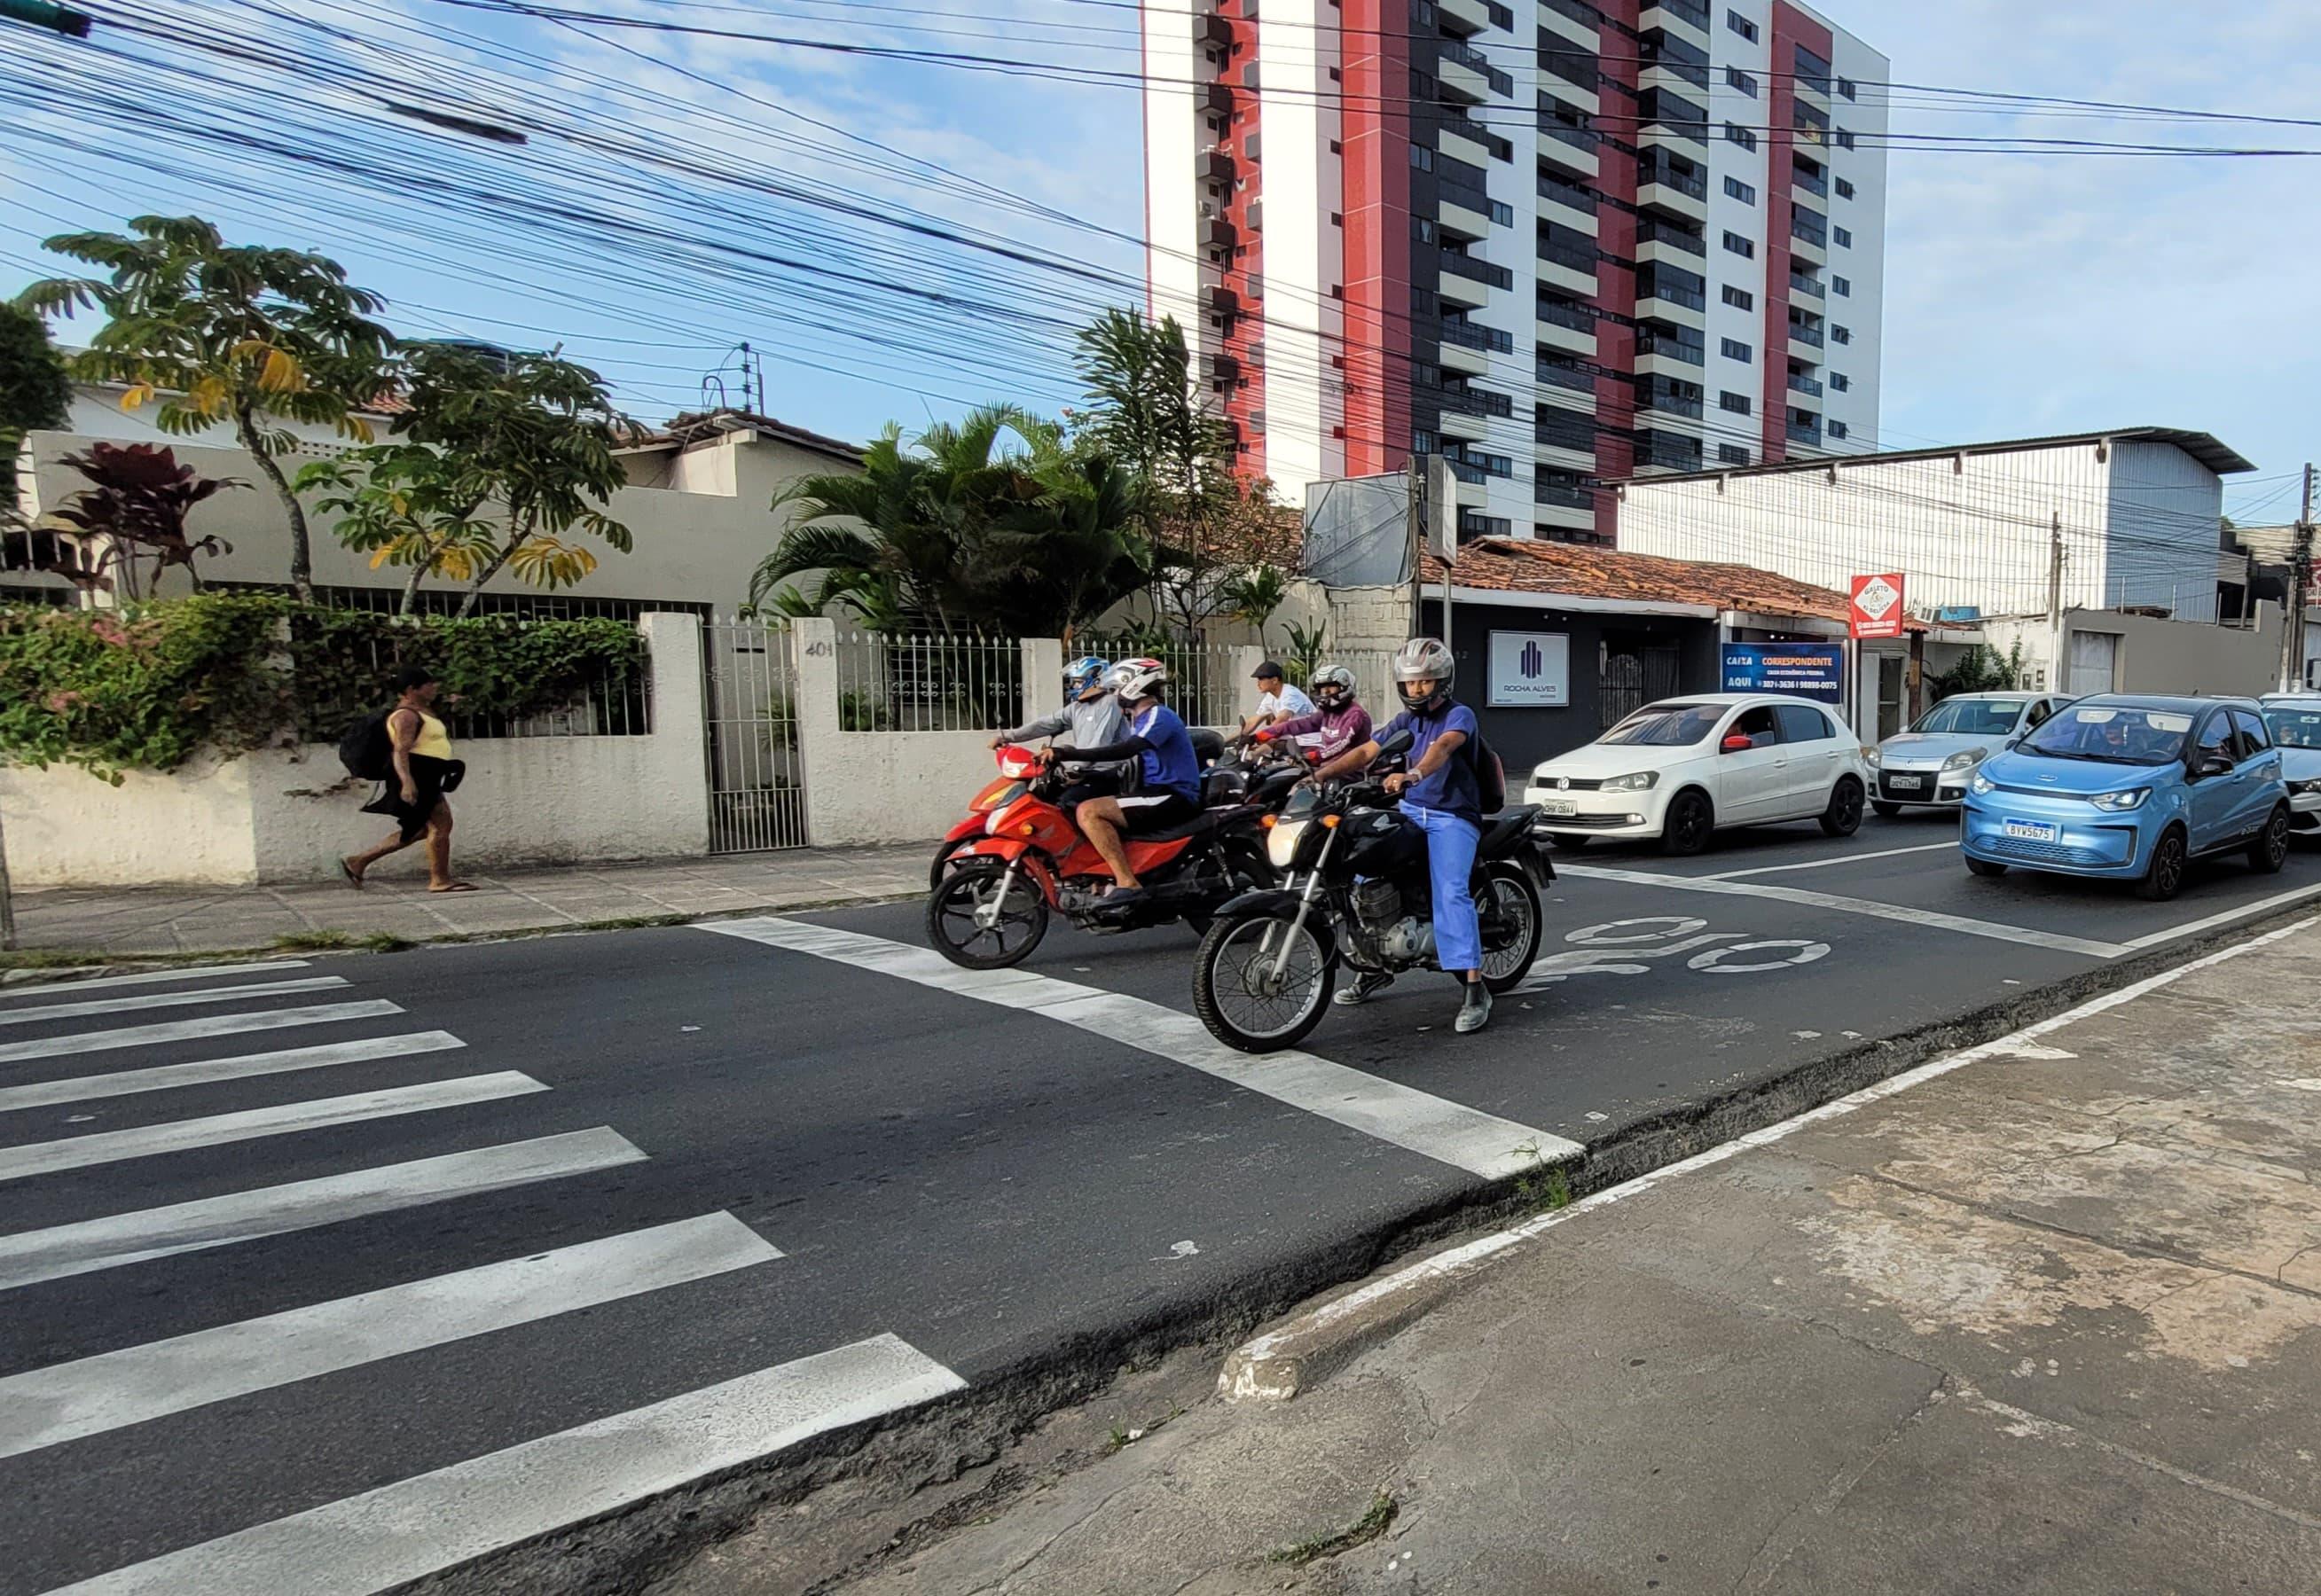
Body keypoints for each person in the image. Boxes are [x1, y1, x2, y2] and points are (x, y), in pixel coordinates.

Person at [1310, 638, 1492, 1034]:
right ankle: (1375, 966)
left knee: (1451, 892)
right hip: (1411, 810)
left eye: (1425, 682)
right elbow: (1366, 751)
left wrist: (1414, 774)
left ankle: (1475, 988)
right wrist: (1319, 775)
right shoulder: (1406, 720)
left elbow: (1442, 748)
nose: (1417, 689)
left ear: (1442, 681)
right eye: (1410, 683)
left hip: (1451, 816)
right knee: (1361, 874)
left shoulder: (1460, 716)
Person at [1046, 657, 1203, 899]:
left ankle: (1127, 882)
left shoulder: (1158, 715)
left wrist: (1070, 753)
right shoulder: (1139, 719)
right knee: (1087, 803)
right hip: (1155, 791)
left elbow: (1128, 750)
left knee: (1090, 812)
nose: (1114, 694)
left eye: (1116, 689)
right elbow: (1132, 762)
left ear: (1134, 685)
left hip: (1173, 794)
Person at [341, 664, 475, 893]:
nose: (434, 688)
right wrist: (407, 782)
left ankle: (359, 861)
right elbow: (400, 751)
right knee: (441, 824)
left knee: (419, 829)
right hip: (419, 776)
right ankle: (439, 880)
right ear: (413, 689)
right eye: (428, 685)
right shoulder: (406, 716)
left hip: (429, 775)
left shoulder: (422, 712)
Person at [992, 654, 1128, 802]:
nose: (1074, 686)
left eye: (1078, 682)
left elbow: (1099, 743)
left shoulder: (1109, 703)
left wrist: (1075, 768)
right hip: (1082, 771)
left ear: (1096, 681)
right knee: (1039, 797)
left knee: (1064, 804)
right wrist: (1008, 737)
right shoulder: (1078, 707)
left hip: (1105, 774)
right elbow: (1045, 724)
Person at [1251, 663, 1374, 763]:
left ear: (1344, 687)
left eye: (1331, 686)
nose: (1325, 691)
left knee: (1301, 787)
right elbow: (1299, 725)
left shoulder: (1354, 714)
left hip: (1350, 769)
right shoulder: (1327, 713)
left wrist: (1312, 756)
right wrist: (1260, 736)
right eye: (1322, 687)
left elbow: (1340, 745)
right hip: (1329, 763)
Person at [1240, 660, 1314, 738]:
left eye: (1261, 679)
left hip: (1310, 741)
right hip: (1294, 740)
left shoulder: (1290, 694)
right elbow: (1253, 722)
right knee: (1263, 746)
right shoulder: (1270, 697)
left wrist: (1257, 738)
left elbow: (1281, 719)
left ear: (1275, 680)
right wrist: (1230, 740)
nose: (1258, 683)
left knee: (1267, 743)